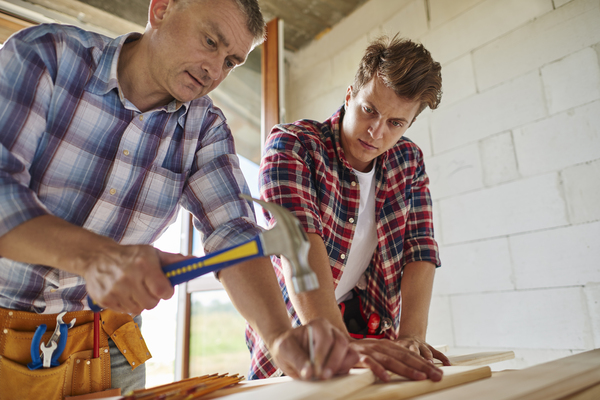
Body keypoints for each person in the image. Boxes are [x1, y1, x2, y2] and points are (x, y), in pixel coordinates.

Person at [0, 0, 359, 397]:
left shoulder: (204, 128)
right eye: (210, 41)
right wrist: (96, 256)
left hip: (110, 338)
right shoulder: (47, 55)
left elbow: (233, 234)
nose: (214, 70)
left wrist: (277, 336)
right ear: (162, 9)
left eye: (231, 62)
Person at [246, 35, 450, 382]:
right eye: (369, 109)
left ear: (409, 125)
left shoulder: (409, 162)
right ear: (349, 94)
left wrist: (412, 336)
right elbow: (297, 246)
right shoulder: (293, 146)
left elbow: (420, 249)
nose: (375, 130)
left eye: (395, 123)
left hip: (370, 322)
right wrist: (335, 341)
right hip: (301, 327)